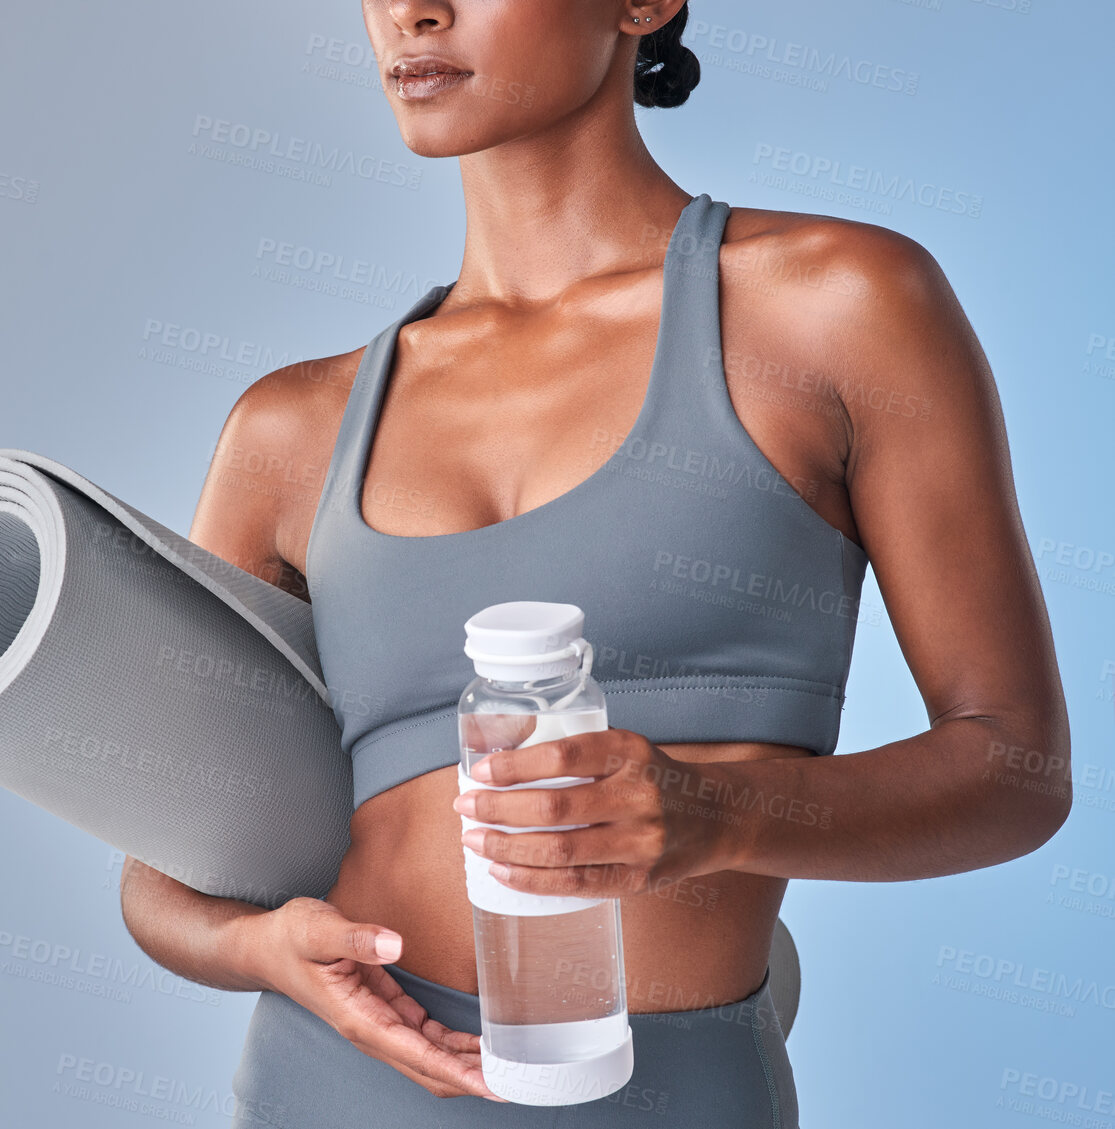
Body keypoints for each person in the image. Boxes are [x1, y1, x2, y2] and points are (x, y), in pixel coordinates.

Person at [119, 2, 1071, 1125]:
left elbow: (1014, 771)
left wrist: (717, 812)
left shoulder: (835, 309)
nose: (412, 13)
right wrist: (263, 948)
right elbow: (158, 870)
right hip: (331, 1085)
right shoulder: (290, 429)